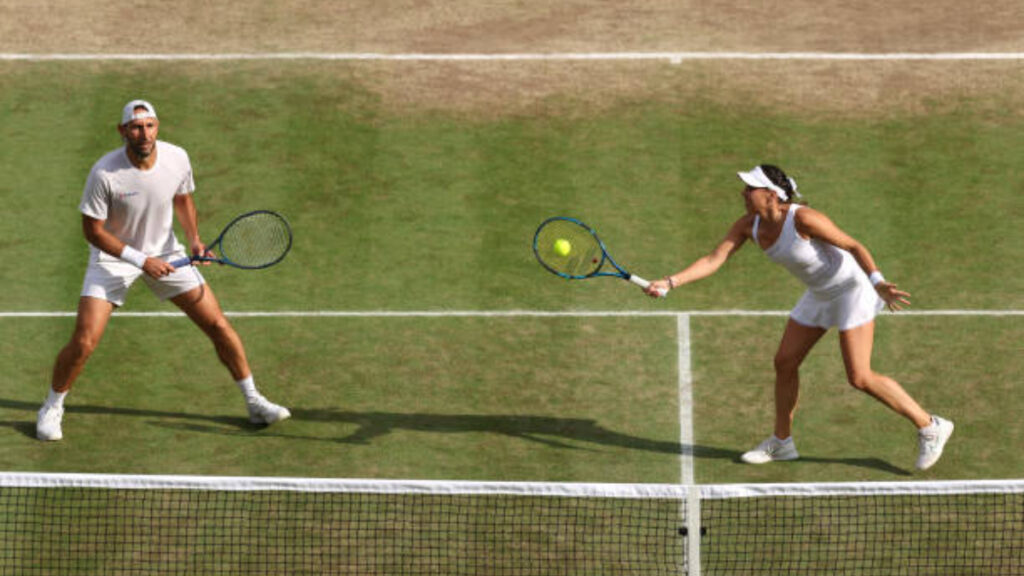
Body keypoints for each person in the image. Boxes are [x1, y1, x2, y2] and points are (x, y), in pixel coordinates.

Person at [644, 164, 953, 471]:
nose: (744, 192)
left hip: (852, 289)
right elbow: (714, 259)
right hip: (819, 293)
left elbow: (853, 245)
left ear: (771, 195)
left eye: (751, 188)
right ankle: (782, 443)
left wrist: (877, 282)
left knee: (859, 376)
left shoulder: (803, 218)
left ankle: (930, 425)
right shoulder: (746, 226)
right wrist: (670, 282)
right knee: (785, 362)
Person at [36, 100, 290, 441]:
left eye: (150, 126)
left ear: (158, 127)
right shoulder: (103, 173)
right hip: (113, 258)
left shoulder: (177, 158)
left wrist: (196, 242)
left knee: (217, 324)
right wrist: (141, 261)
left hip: (166, 253)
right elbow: (93, 231)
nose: (144, 134)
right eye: (137, 127)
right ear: (123, 131)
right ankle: (52, 407)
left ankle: (254, 401)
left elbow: (183, 199)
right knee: (84, 341)